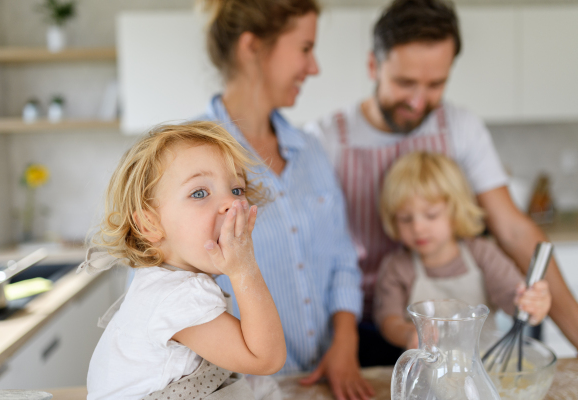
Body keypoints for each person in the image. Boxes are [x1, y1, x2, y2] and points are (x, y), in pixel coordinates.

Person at [305, 0, 578, 364]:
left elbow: (513, 230)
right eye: (405, 83)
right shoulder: (327, 140)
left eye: (436, 84)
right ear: (373, 65)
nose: (419, 102)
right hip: (365, 329)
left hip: (458, 332)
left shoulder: (460, 129)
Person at [197, 1, 373, 399]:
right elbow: (158, 286)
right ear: (252, 47)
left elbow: (343, 258)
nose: (314, 68)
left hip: (324, 382)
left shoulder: (309, 149)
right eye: (305, 48)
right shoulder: (187, 159)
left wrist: (345, 342)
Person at [81, 122, 286, 400]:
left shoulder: (161, 282)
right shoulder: (179, 295)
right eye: (199, 193)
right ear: (151, 224)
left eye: (237, 189)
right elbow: (266, 359)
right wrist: (244, 270)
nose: (231, 203)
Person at [374, 152, 551, 349]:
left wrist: (530, 303)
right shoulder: (396, 267)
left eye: (431, 215)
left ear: (456, 211)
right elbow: (388, 321)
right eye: (406, 219)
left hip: (483, 369)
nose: (417, 228)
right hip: (427, 375)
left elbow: (511, 297)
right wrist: (408, 334)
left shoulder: (482, 253)